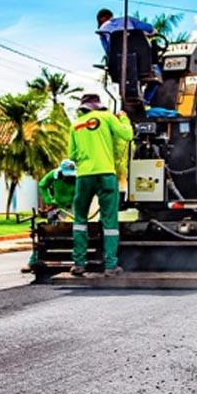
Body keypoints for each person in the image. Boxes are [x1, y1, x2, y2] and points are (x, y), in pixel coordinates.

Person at [69, 93, 133, 277]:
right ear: (97, 106)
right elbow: (127, 135)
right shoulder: (107, 117)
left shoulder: (75, 125)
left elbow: (72, 155)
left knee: (80, 219)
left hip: (84, 176)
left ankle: (79, 264)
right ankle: (110, 265)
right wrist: (125, 119)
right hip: (106, 174)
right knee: (109, 220)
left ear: (83, 107)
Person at [22, 160, 77, 273]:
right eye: (66, 175)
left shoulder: (78, 178)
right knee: (47, 236)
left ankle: (78, 263)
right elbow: (42, 185)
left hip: (73, 208)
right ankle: (32, 262)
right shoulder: (53, 175)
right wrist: (49, 200)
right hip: (56, 208)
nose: (68, 178)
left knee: (75, 235)